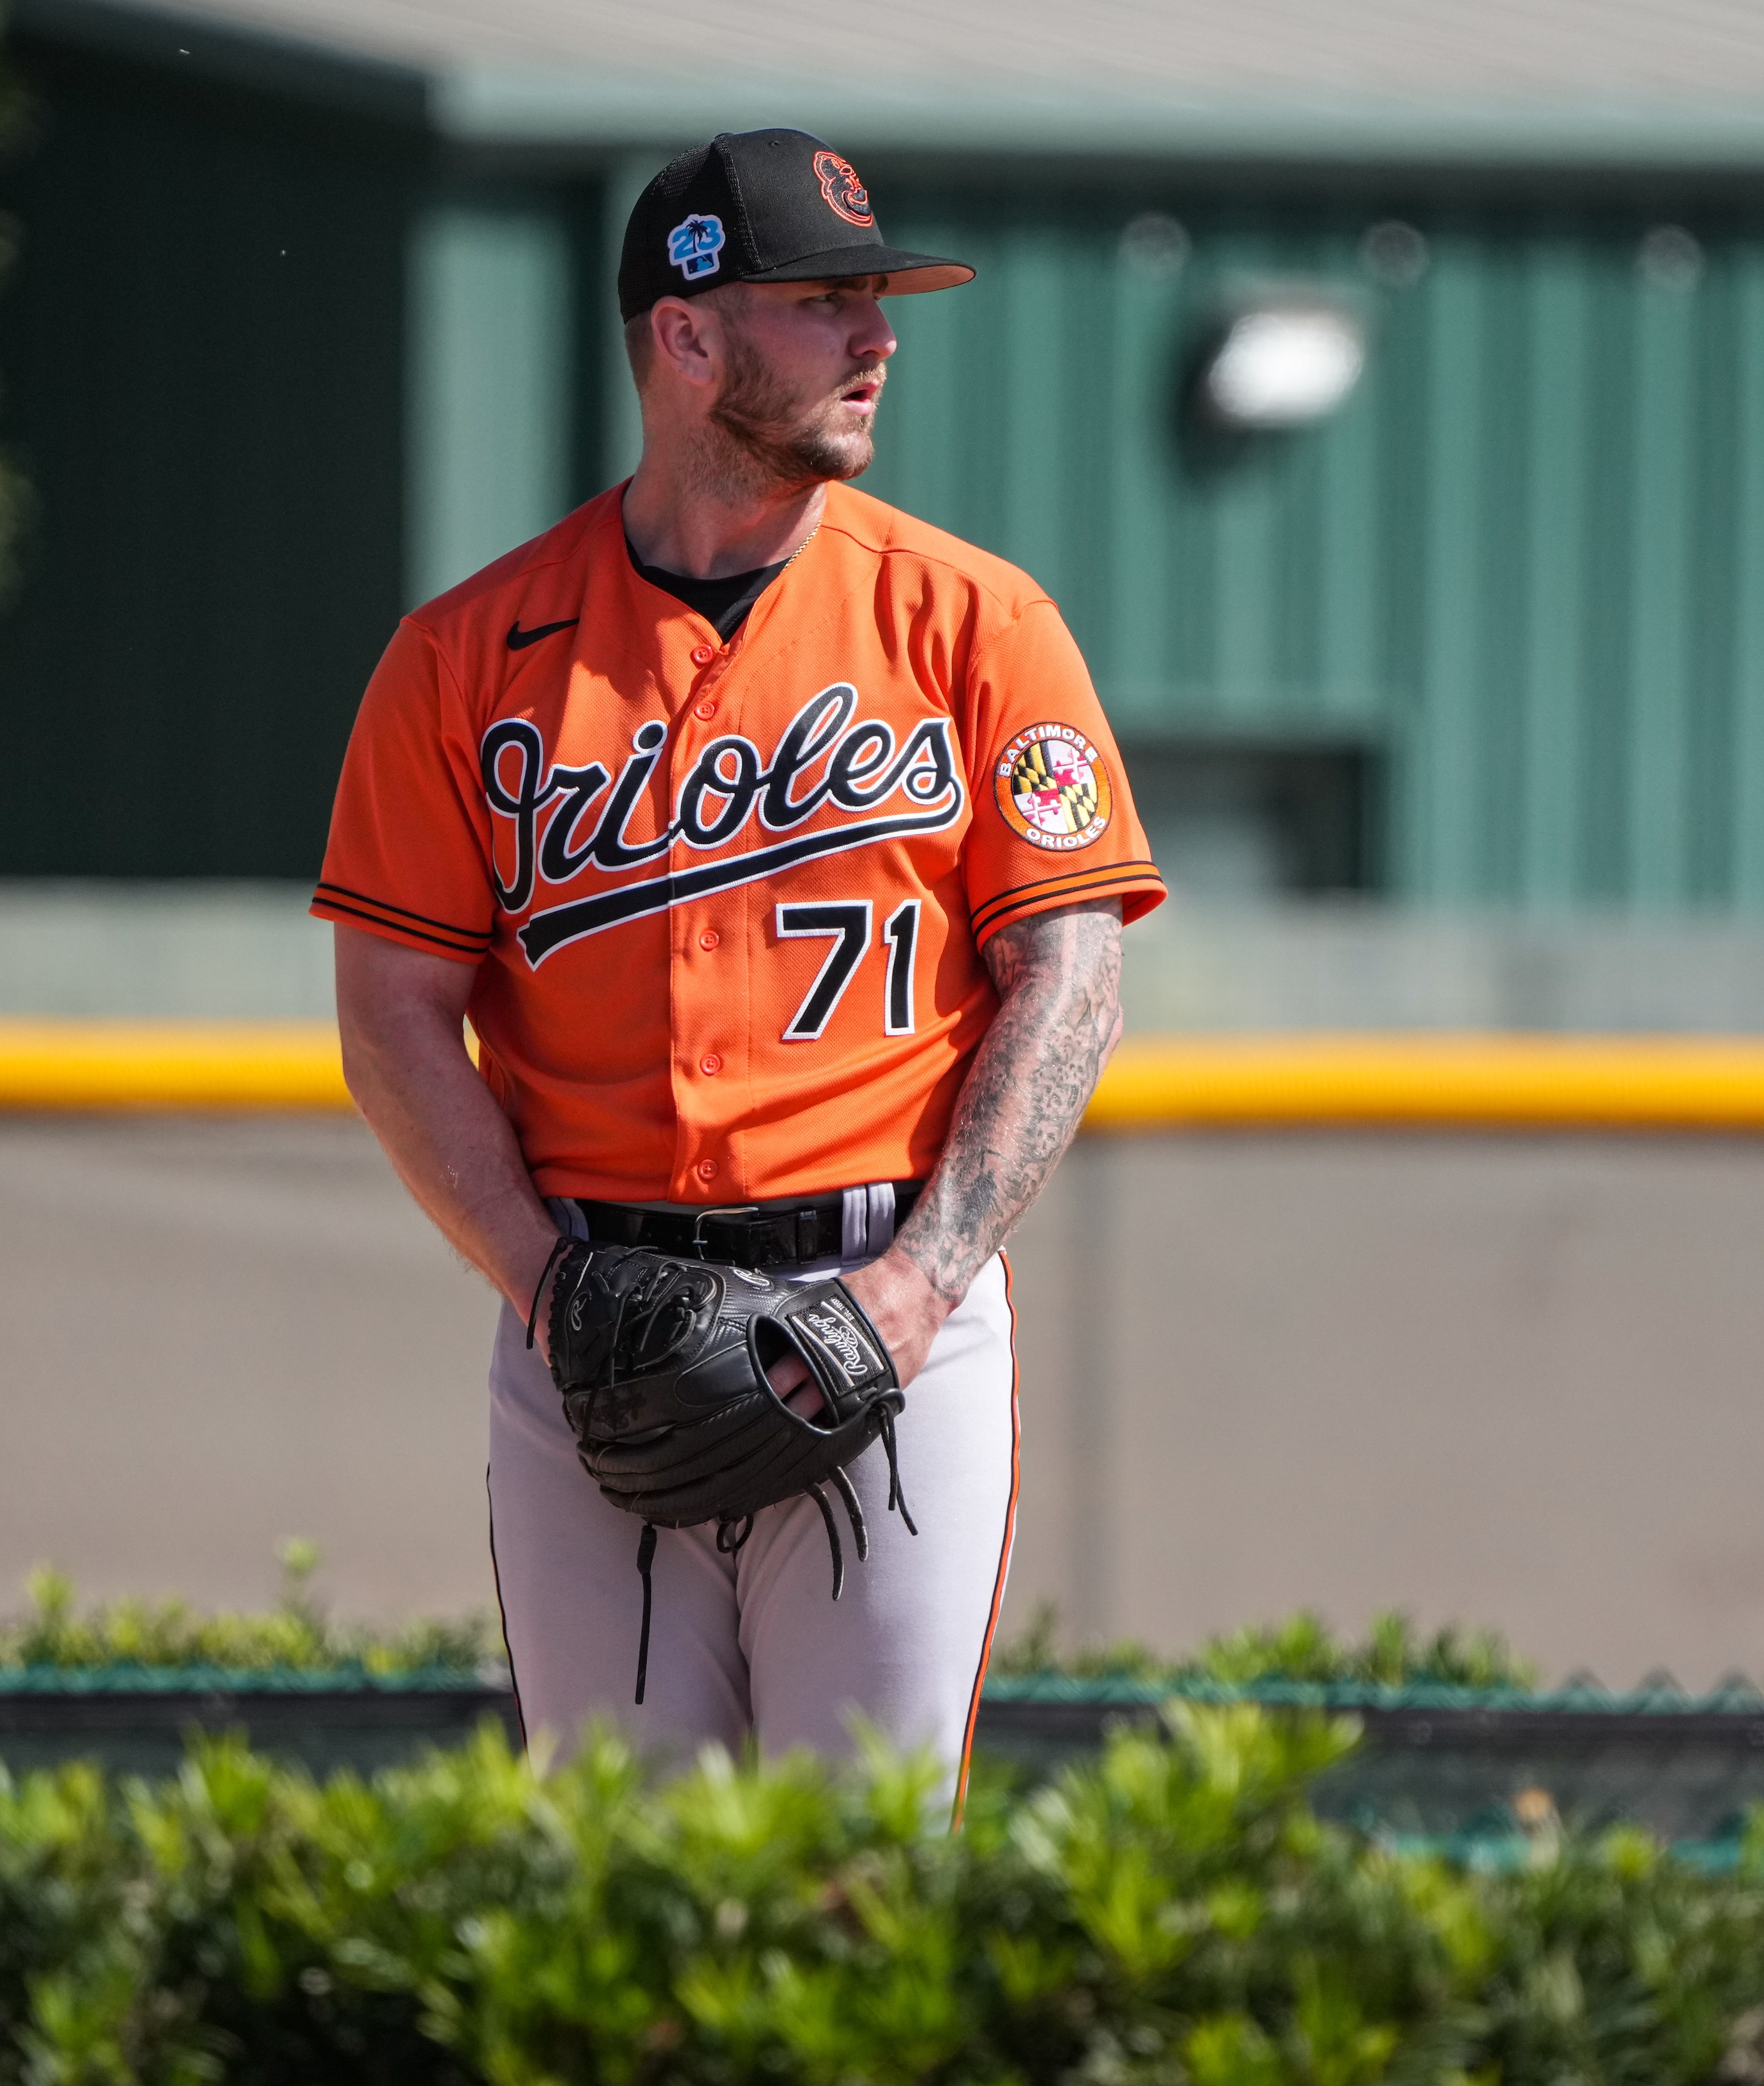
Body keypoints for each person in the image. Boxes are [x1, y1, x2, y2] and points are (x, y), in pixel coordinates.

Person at [313, 128, 1164, 1801]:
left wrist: (918, 1291)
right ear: (686, 335)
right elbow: (392, 1019)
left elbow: (1073, 985)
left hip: (891, 1316)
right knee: (622, 1898)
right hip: (590, 1330)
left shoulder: (975, 624)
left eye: (877, 298)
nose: (879, 335)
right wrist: (545, 1286)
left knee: (862, 1888)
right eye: (827, 298)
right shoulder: (465, 657)